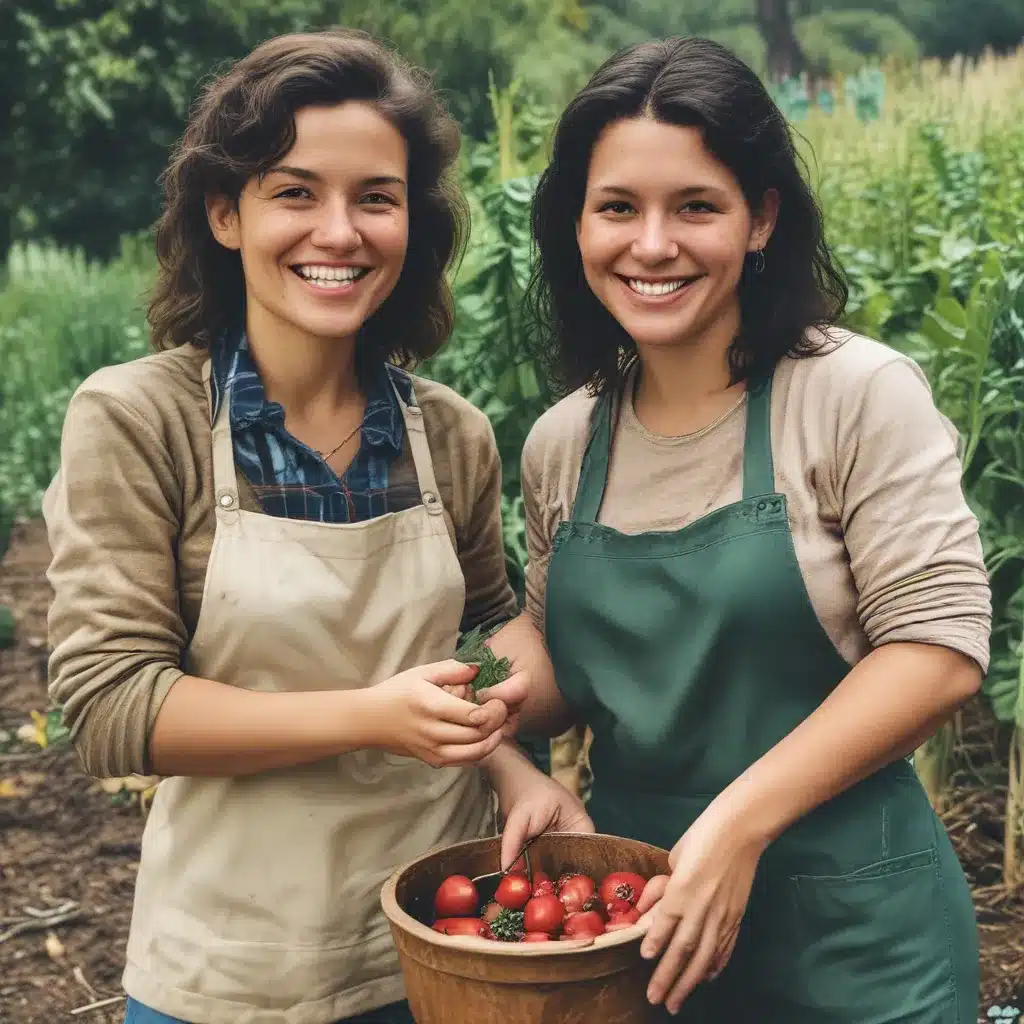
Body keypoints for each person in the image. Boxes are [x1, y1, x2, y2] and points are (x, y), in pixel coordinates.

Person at [42, 29, 586, 1024]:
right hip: (235, 962)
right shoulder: (142, 418)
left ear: (409, 224)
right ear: (224, 212)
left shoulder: (447, 433)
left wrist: (513, 739)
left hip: (443, 937)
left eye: (375, 198)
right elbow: (114, 706)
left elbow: (486, 622)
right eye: (294, 192)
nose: (339, 231)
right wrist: (370, 714)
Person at [484, 36, 991, 1023]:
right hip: (643, 925)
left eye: (696, 206)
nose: (651, 244)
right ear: (574, 226)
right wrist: (473, 685)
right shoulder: (563, 443)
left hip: (856, 936)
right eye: (617, 207)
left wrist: (736, 827)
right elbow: (558, 690)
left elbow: (937, 653)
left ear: (759, 218)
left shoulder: (851, 394)